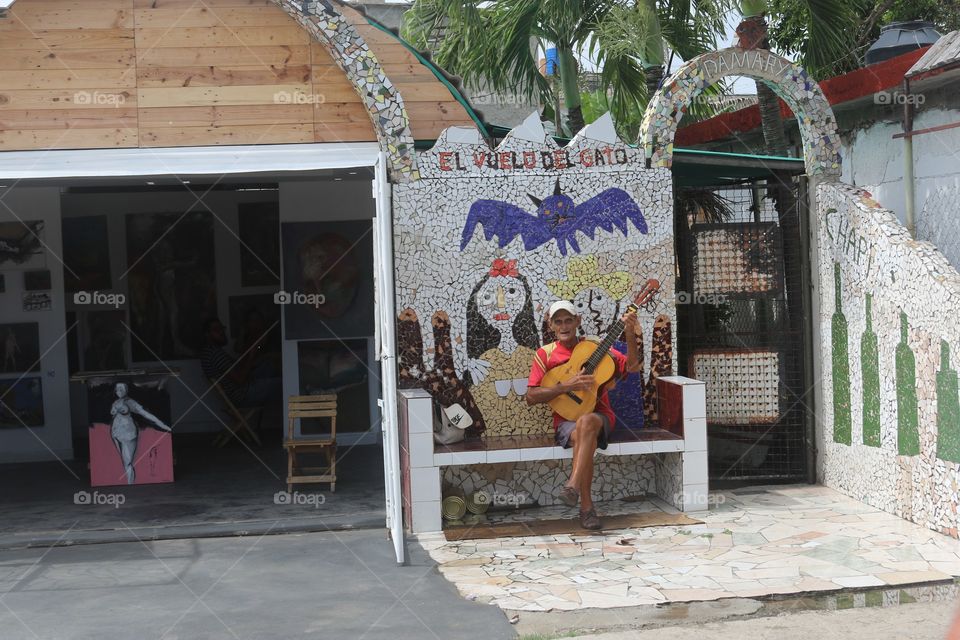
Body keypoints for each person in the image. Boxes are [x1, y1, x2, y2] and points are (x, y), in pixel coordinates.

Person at [526, 300, 640, 530]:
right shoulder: (544, 354)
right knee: (583, 432)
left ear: (578, 322)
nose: (564, 325)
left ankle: (573, 488)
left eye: (569, 320)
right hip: (566, 420)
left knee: (587, 421)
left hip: (600, 416)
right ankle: (586, 507)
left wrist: (629, 333)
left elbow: (633, 367)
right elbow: (531, 396)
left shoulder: (595, 347)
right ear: (551, 325)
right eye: (558, 321)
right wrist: (566, 386)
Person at [200, 318, 282, 408]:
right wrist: (251, 356)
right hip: (243, 394)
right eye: (216, 330)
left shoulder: (209, 351)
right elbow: (240, 379)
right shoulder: (215, 354)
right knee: (284, 383)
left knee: (269, 365)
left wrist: (253, 357)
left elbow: (238, 367)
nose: (221, 332)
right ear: (207, 335)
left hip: (243, 388)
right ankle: (295, 417)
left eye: (222, 328)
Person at [110, 382, 171, 484]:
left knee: (128, 463)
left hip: (128, 434)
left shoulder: (131, 402)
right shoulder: (115, 403)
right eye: (117, 389)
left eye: (121, 389)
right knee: (124, 462)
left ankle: (130, 484)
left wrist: (163, 425)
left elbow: (146, 414)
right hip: (116, 434)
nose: (119, 391)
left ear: (126, 390)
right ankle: (129, 483)